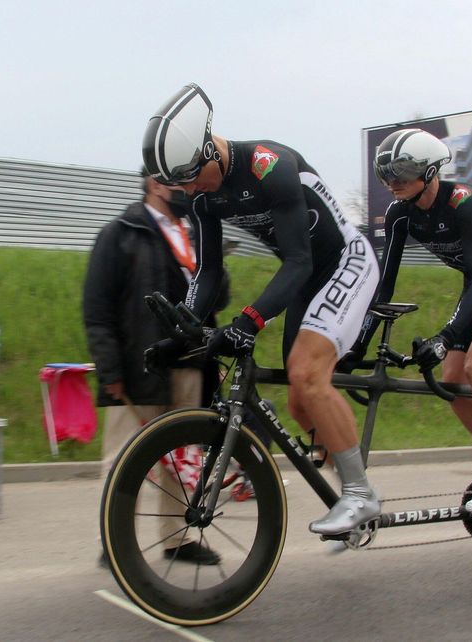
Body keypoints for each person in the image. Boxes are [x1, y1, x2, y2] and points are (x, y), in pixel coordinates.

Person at [141, 83, 381, 536]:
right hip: (308, 276)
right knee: (300, 400)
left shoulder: (269, 167)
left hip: (345, 260)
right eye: (180, 184)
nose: (190, 189)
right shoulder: (202, 195)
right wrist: (183, 331)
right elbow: (209, 272)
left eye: (192, 177)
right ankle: (352, 495)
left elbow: (298, 259)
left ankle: (360, 495)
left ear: (210, 150)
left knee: (308, 374)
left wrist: (250, 320)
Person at [371, 128, 472, 515]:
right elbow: (385, 283)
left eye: (401, 174)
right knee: (451, 382)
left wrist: (445, 337)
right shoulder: (400, 213)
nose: (392, 183)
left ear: (430, 173)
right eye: (386, 175)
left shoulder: (464, 202)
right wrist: (358, 343)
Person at [83, 168, 221, 565]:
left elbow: (217, 296)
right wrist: (110, 371)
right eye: (177, 181)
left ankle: (176, 539)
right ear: (154, 184)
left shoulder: (196, 233)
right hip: (137, 368)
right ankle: (114, 541)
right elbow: (97, 311)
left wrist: (211, 258)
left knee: (182, 456)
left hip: (190, 364)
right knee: (125, 459)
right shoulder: (119, 233)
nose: (185, 189)